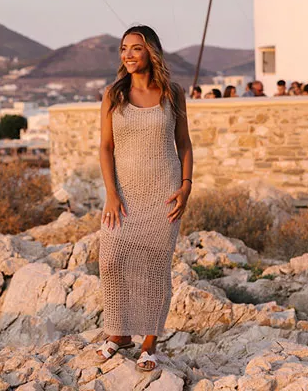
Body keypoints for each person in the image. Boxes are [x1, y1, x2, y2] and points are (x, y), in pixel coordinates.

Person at [97, 24, 193, 372]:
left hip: (165, 192)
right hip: (124, 194)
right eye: (123, 48)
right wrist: (111, 194)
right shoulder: (113, 93)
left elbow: (184, 144)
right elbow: (106, 148)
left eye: (135, 48)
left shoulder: (172, 92)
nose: (128, 55)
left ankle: (149, 342)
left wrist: (186, 186)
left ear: (150, 51)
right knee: (110, 258)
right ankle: (119, 333)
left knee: (155, 267)